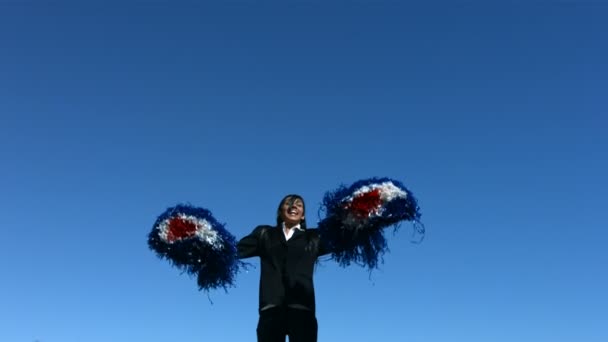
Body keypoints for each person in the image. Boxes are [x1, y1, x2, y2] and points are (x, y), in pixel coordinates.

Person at [237, 194, 329, 342]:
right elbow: (233, 251)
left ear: (303, 215)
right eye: (288, 203)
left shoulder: (314, 237)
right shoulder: (264, 234)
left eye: (298, 205)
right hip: (271, 310)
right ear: (280, 212)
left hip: (302, 310)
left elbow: (342, 237)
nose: (293, 206)